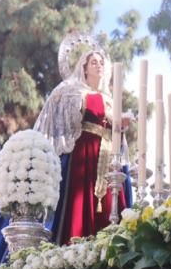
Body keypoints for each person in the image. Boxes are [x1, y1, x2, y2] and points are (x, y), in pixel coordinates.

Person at [35, 45, 131, 244]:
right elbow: (65, 120)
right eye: (94, 62)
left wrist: (121, 125)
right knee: (81, 203)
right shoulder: (73, 92)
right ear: (84, 68)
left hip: (108, 157)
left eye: (102, 63)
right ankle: (75, 250)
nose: (99, 66)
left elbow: (115, 128)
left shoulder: (110, 99)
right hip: (85, 155)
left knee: (110, 205)